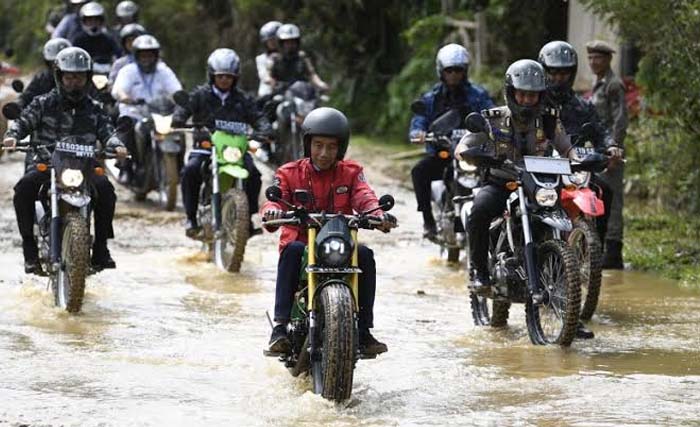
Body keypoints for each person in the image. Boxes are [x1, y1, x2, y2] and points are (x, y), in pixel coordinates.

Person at [261, 107, 396, 356]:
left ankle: (364, 330)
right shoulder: (289, 173)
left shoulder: (352, 173)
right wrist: (272, 211)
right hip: (303, 243)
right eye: (318, 145)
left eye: (331, 147)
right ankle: (279, 328)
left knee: (365, 254)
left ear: (341, 148)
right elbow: (274, 200)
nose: (324, 153)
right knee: (292, 251)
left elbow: (364, 196)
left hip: (339, 244)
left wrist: (378, 215)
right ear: (307, 144)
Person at [2, 47, 128, 273]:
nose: (74, 82)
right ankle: (29, 250)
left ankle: (101, 248)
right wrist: (11, 137)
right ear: (59, 77)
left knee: (106, 190)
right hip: (47, 164)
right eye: (69, 77)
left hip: (84, 166)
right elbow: (22, 123)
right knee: (23, 189)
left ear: (87, 78)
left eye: (79, 77)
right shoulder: (42, 103)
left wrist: (117, 145)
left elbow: (108, 133)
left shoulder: (95, 109)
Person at [456, 59, 574, 295]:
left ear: (541, 96)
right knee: (479, 211)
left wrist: (577, 160)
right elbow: (466, 143)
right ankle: (480, 273)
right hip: (502, 183)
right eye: (522, 95)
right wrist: (463, 153)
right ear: (511, 92)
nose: (528, 100)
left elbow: (566, 148)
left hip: (539, 186)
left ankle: (566, 298)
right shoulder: (493, 118)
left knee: (564, 218)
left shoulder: (549, 121)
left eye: (533, 95)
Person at [172, 48, 271, 238]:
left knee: (254, 175)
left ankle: (247, 220)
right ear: (212, 76)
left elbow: (258, 117)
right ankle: (191, 218)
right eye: (220, 76)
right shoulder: (200, 95)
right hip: (206, 148)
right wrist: (179, 119)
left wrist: (265, 129)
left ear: (236, 77)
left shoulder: (242, 99)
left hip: (235, 150)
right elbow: (184, 109)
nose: (225, 80)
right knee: (190, 171)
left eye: (229, 76)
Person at [538, 40, 621, 242]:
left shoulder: (582, 106)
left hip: (576, 169)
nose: (559, 78)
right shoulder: (533, 103)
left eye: (564, 73)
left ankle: (596, 247)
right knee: (524, 201)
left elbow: (600, 129)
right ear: (544, 72)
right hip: (540, 170)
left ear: (572, 73)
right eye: (553, 73)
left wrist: (610, 146)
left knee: (605, 190)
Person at [409, 43, 494, 240]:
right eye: (449, 70)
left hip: (472, 155)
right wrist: (418, 132)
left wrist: (492, 128)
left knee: (498, 177)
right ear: (441, 71)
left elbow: (491, 115)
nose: (454, 74)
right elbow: (419, 120)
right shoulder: (431, 98)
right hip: (443, 155)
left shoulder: (478, 95)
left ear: (465, 71)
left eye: (458, 70)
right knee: (419, 171)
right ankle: (428, 221)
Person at [111, 34, 182, 182]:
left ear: (156, 55)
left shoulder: (164, 70)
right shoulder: (128, 70)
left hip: (159, 113)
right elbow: (118, 90)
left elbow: (176, 90)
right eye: (143, 55)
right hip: (135, 112)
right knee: (127, 128)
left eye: (150, 55)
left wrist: (178, 98)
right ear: (136, 55)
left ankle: (178, 169)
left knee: (178, 134)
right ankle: (127, 168)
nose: (147, 59)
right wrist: (125, 97)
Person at [586, 40, 627, 269]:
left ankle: (613, 252)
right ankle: (599, 248)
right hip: (597, 151)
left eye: (598, 58)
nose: (593, 62)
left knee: (613, 199)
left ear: (608, 59)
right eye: (590, 58)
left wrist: (615, 150)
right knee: (599, 196)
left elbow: (620, 122)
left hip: (611, 152)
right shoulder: (599, 83)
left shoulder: (613, 85)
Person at [267, 24, 329, 92]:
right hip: (282, 93)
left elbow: (311, 74)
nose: (290, 45)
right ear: (281, 43)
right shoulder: (275, 59)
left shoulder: (302, 57)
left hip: (301, 93)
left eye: (293, 42)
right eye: (287, 42)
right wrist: (274, 85)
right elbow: (271, 77)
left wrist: (321, 84)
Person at [17, 38, 72, 109]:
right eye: (54, 62)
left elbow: (89, 99)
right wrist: (18, 104)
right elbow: (27, 96)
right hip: (45, 117)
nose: (58, 66)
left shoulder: (79, 78)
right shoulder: (41, 78)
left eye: (63, 61)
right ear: (48, 63)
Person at [256, 20, 282, 97]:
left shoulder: (289, 57)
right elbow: (264, 76)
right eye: (270, 40)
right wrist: (274, 83)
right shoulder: (261, 59)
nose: (273, 43)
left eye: (275, 40)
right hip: (268, 94)